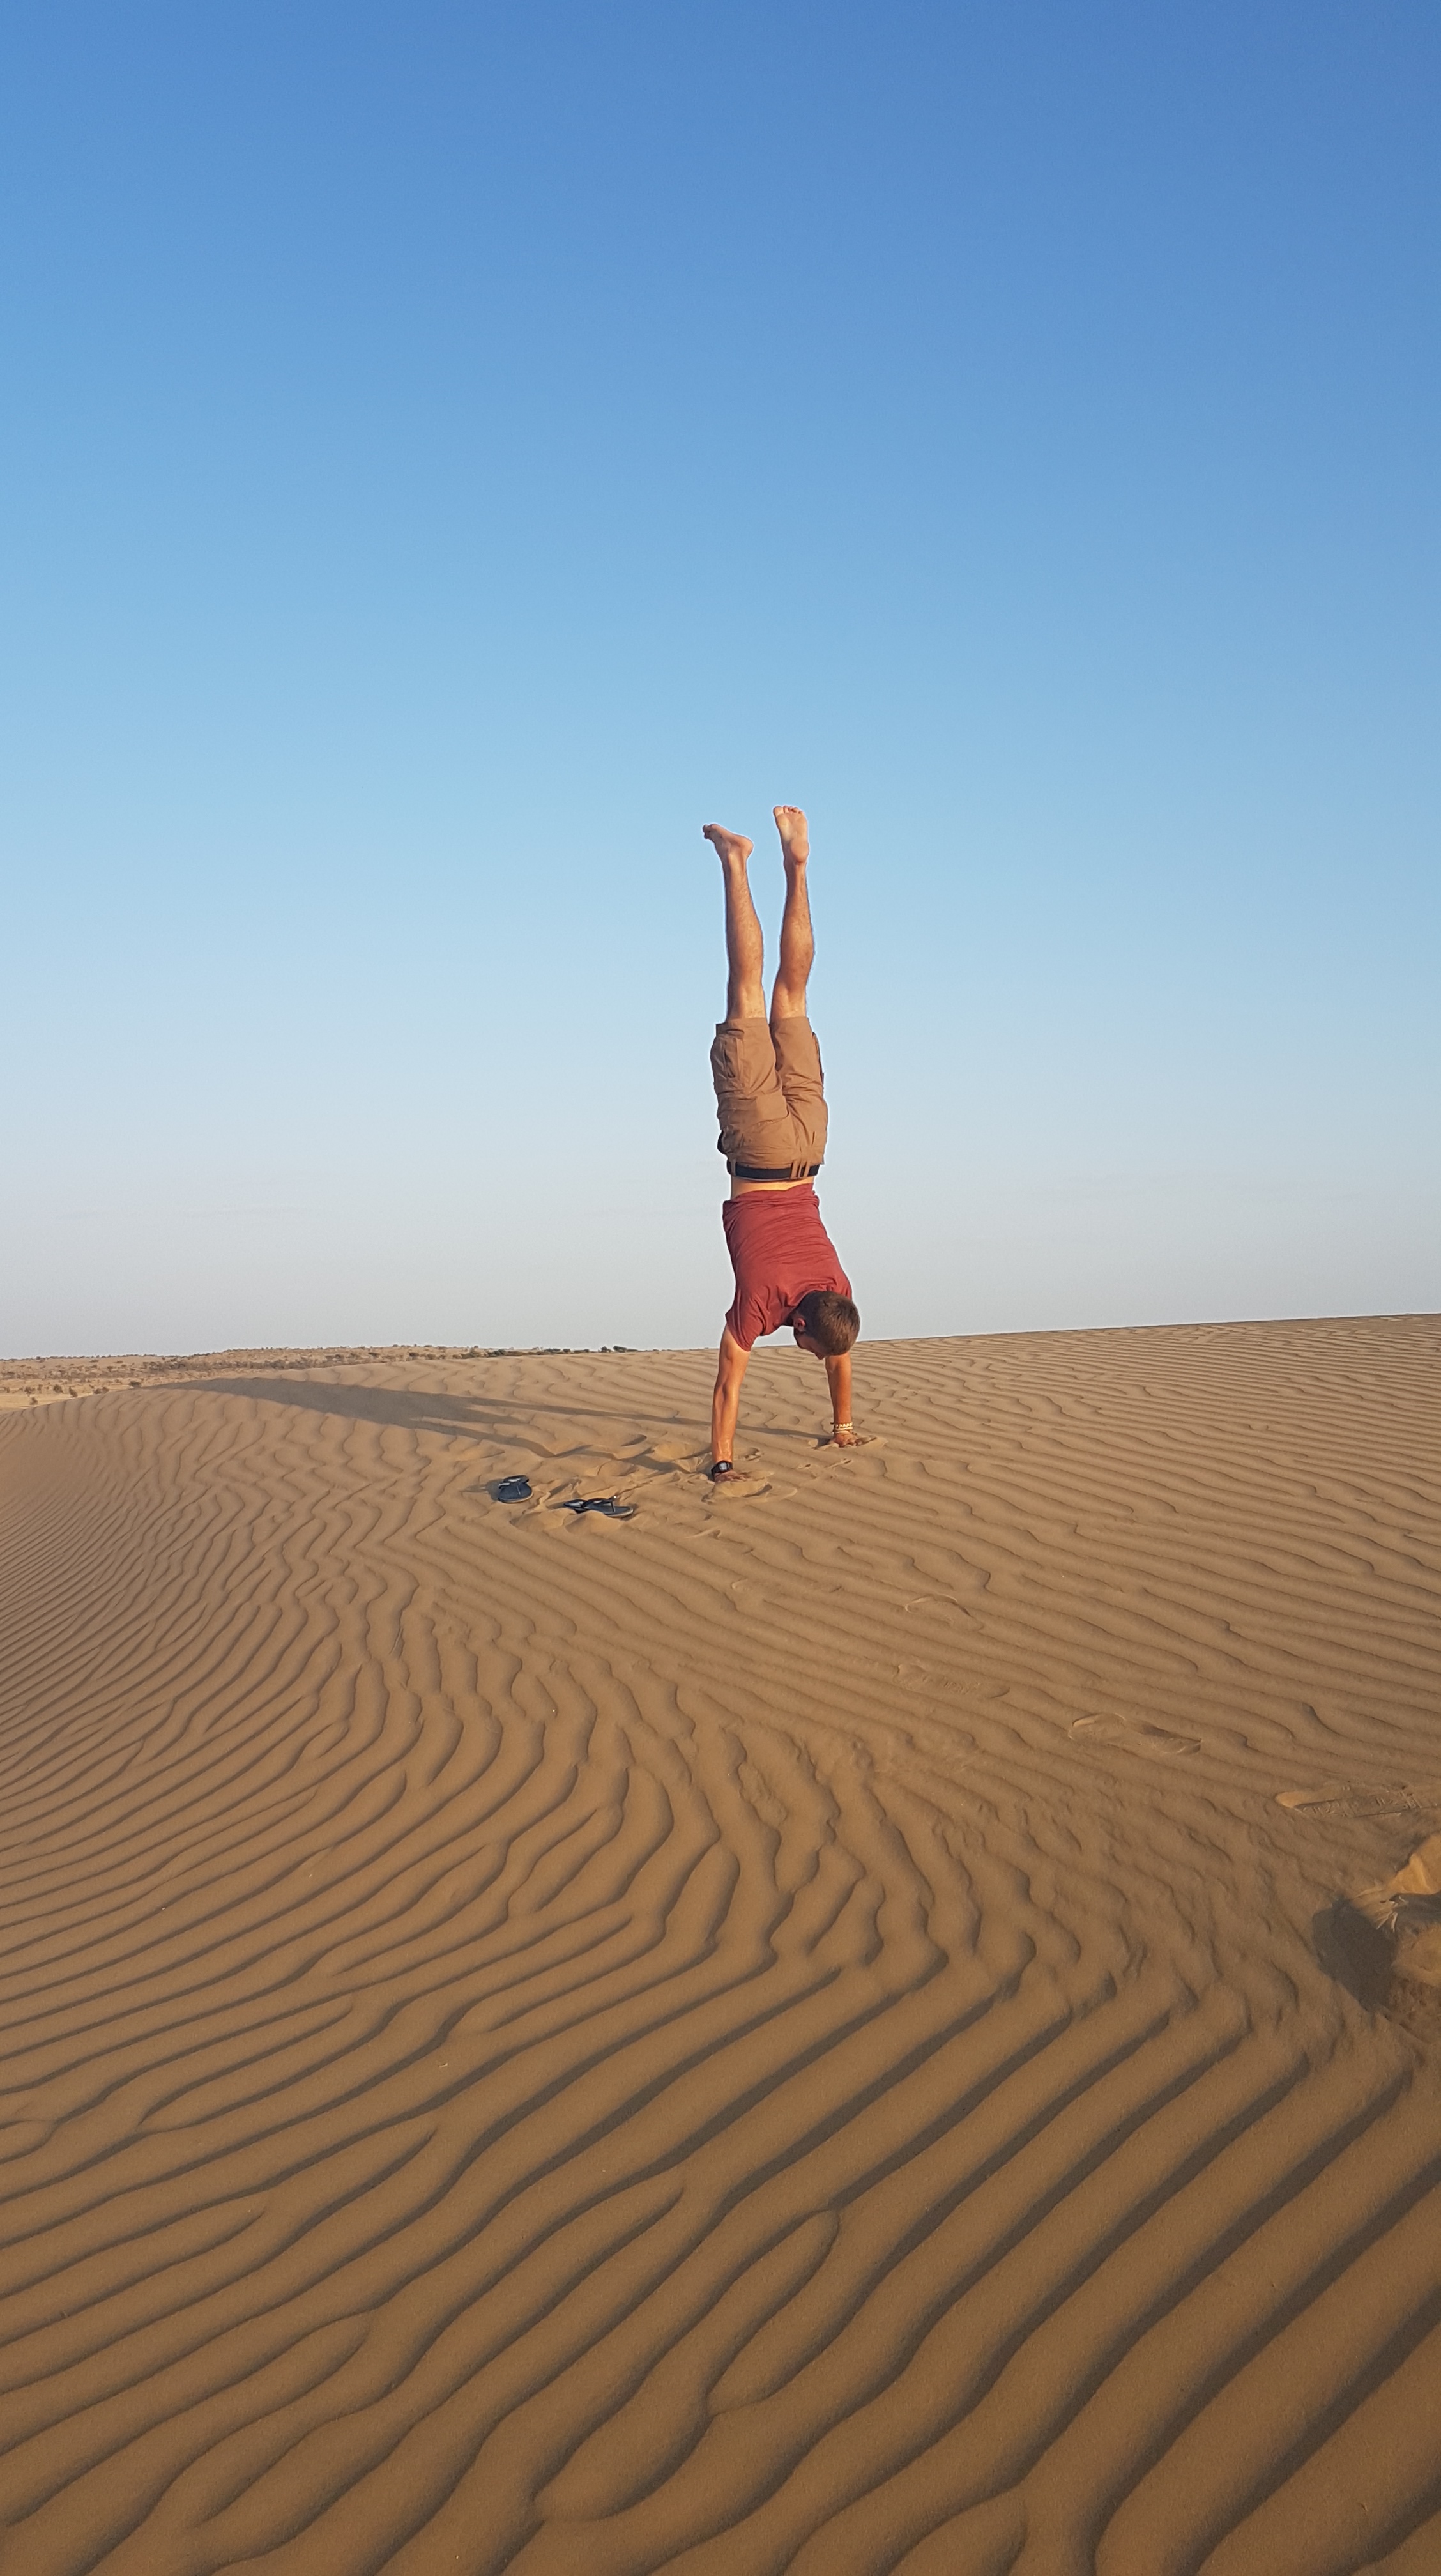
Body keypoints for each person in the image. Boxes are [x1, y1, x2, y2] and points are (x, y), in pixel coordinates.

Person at [702, 805, 859, 1481]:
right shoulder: (763, 1303)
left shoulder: (837, 1293)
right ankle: (735, 861)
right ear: (800, 1330)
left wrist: (844, 1425)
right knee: (747, 993)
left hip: (812, 1144)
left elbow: (840, 1351)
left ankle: (798, 867)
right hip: (762, 1152)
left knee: (792, 995)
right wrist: (722, 1462)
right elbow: (727, 1384)